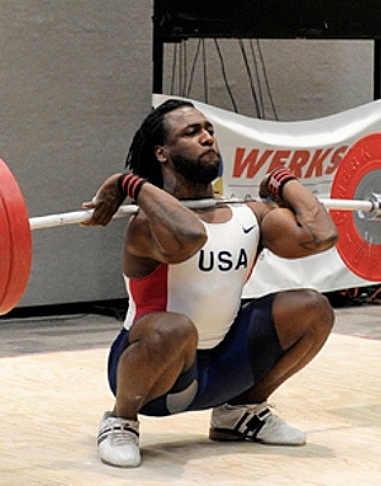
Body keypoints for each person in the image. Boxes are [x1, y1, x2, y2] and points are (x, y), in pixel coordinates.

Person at [82, 99, 338, 468]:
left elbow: (320, 236)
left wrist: (286, 182)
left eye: (209, 131)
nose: (207, 139)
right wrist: (131, 184)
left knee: (313, 308)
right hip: (156, 380)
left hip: (225, 368)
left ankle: (240, 413)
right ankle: (120, 421)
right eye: (192, 132)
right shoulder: (146, 224)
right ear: (162, 153)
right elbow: (189, 235)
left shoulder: (248, 214)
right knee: (173, 327)